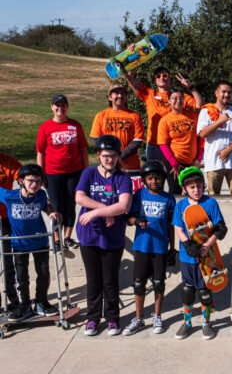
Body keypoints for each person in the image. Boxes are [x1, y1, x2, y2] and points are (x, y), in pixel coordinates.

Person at [75, 135, 133, 336]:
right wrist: (105, 208)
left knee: (110, 280)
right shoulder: (89, 173)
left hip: (112, 237)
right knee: (93, 280)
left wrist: (98, 212)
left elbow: (123, 206)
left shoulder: (123, 178)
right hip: (89, 235)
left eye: (114, 156)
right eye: (106, 156)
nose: (110, 160)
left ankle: (112, 319)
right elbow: (79, 196)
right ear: (98, 155)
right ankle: (92, 319)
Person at [172, 166, 228, 340]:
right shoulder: (180, 205)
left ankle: (206, 322)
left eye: (199, 186)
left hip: (207, 256)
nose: (196, 190)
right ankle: (187, 323)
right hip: (187, 256)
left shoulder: (210, 203)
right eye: (191, 187)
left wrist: (206, 246)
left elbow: (220, 228)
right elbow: (178, 228)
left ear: (203, 185)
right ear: (184, 188)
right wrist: (187, 244)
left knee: (204, 290)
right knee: (188, 290)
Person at [0, 164, 61, 321]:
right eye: (31, 181)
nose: (35, 185)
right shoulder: (9, 196)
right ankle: (24, 305)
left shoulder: (40, 195)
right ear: (21, 181)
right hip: (18, 244)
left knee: (43, 274)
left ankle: (41, 302)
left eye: (38, 181)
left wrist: (51, 212)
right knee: (21, 277)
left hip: (39, 241)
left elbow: (46, 206)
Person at [123, 161, 176, 336]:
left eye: (158, 178)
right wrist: (136, 221)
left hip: (160, 247)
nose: (154, 181)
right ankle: (138, 318)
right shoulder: (139, 194)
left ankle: (157, 316)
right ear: (145, 179)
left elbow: (171, 225)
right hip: (142, 246)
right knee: (139, 283)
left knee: (159, 283)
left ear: (163, 179)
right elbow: (129, 218)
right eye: (150, 178)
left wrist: (172, 248)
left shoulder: (169, 198)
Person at [37, 94, 88, 251]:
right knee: (56, 206)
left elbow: (83, 150)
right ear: (52, 107)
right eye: (57, 105)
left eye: (63, 105)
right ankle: (57, 239)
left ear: (67, 107)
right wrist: (41, 174)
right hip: (53, 173)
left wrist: (86, 172)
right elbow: (40, 153)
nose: (60, 108)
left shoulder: (75, 125)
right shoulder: (45, 127)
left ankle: (67, 237)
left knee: (70, 204)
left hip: (74, 172)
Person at [125, 66, 204, 166]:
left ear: (169, 78)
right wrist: (133, 57)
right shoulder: (149, 94)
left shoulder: (178, 97)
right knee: (156, 176)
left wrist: (191, 87)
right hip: (154, 144)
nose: (162, 77)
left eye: (165, 75)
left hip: (175, 146)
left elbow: (200, 105)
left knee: (174, 177)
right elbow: (130, 79)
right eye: (158, 76)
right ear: (155, 80)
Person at [197, 81, 232, 195]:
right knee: (213, 198)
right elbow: (202, 133)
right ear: (216, 93)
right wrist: (219, 121)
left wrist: (228, 150)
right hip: (214, 163)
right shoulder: (206, 111)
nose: (226, 95)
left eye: (229, 92)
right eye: (223, 92)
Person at [90, 84, 145, 189]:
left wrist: (118, 158)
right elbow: (96, 140)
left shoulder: (134, 116)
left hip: (130, 168)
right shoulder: (101, 116)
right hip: (107, 167)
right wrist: (110, 159)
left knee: (132, 200)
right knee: (109, 197)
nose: (120, 96)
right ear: (110, 97)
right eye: (116, 93)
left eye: (122, 93)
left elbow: (137, 141)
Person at [157, 90, 202, 194]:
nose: (178, 100)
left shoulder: (193, 116)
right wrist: (174, 164)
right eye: (174, 98)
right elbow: (163, 144)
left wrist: (198, 159)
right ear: (169, 101)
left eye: (181, 98)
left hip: (192, 162)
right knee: (175, 191)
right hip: (174, 163)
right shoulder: (165, 120)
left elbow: (201, 139)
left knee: (194, 192)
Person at [0, 152, 21, 314]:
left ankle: (14, 300)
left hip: (6, 217)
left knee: (10, 259)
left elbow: (25, 178)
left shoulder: (7, 161)